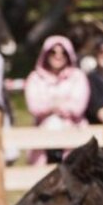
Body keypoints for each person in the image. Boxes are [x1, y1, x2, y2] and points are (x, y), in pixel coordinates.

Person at [23, 35, 91, 165]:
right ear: (45, 54)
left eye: (63, 52)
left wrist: (51, 106)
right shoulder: (35, 78)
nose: (58, 56)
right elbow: (34, 107)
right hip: (43, 140)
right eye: (53, 52)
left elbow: (78, 108)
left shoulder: (78, 76)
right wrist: (57, 105)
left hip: (73, 135)